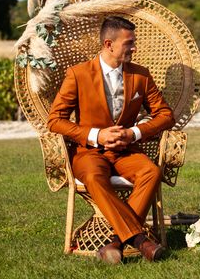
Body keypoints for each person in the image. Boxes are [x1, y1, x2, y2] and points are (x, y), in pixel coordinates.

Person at [47, 16, 173, 264]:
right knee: (94, 177)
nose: (134, 47)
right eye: (129, 43)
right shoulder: (78, 74)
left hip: (126, 151)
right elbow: (55, 120)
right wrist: (96, 135)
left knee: (150, 171)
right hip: (88, 152)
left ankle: (115, 242)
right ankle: (139, 240)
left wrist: (133, 133)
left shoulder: (141, 75)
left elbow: (166, 115)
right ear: (109, 44)